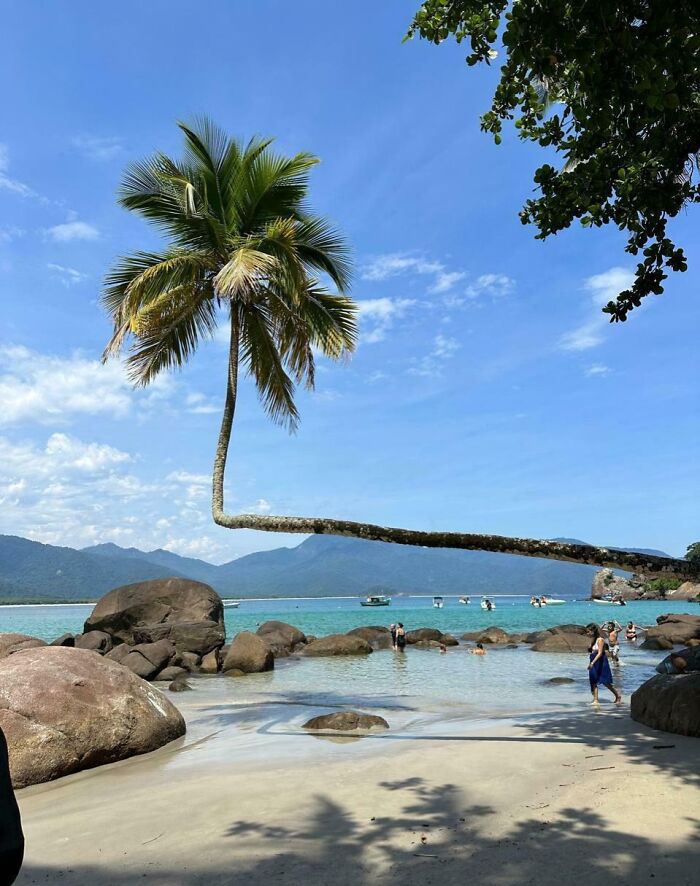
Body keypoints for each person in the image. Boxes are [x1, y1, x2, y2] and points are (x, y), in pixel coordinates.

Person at [587, 624, 622, 705]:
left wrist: (592, 663)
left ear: (593, 631)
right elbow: (592, 652)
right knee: (593, 681)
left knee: (606, 682)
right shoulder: (593, 640)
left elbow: (599, 653)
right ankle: (595, 700)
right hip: (593, 661)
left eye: (588, 631)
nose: (587, 633)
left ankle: (618, 696)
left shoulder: (600, 640)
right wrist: (590, 662)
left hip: (600, 662)